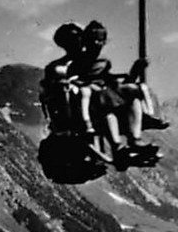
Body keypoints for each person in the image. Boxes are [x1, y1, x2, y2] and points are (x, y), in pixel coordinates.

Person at [69, 20, 164, 164]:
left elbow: (109, 78)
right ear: (86, 41)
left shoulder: (104, 62)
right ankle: (117, 145)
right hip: (94, 104)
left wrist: (136, 70)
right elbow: (74, 81)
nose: (97, 44)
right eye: (94, 40)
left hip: (107, 97)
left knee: (134, 99)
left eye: (101, 41)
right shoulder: (78, 62)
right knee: (108, 111)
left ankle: (135, 139)